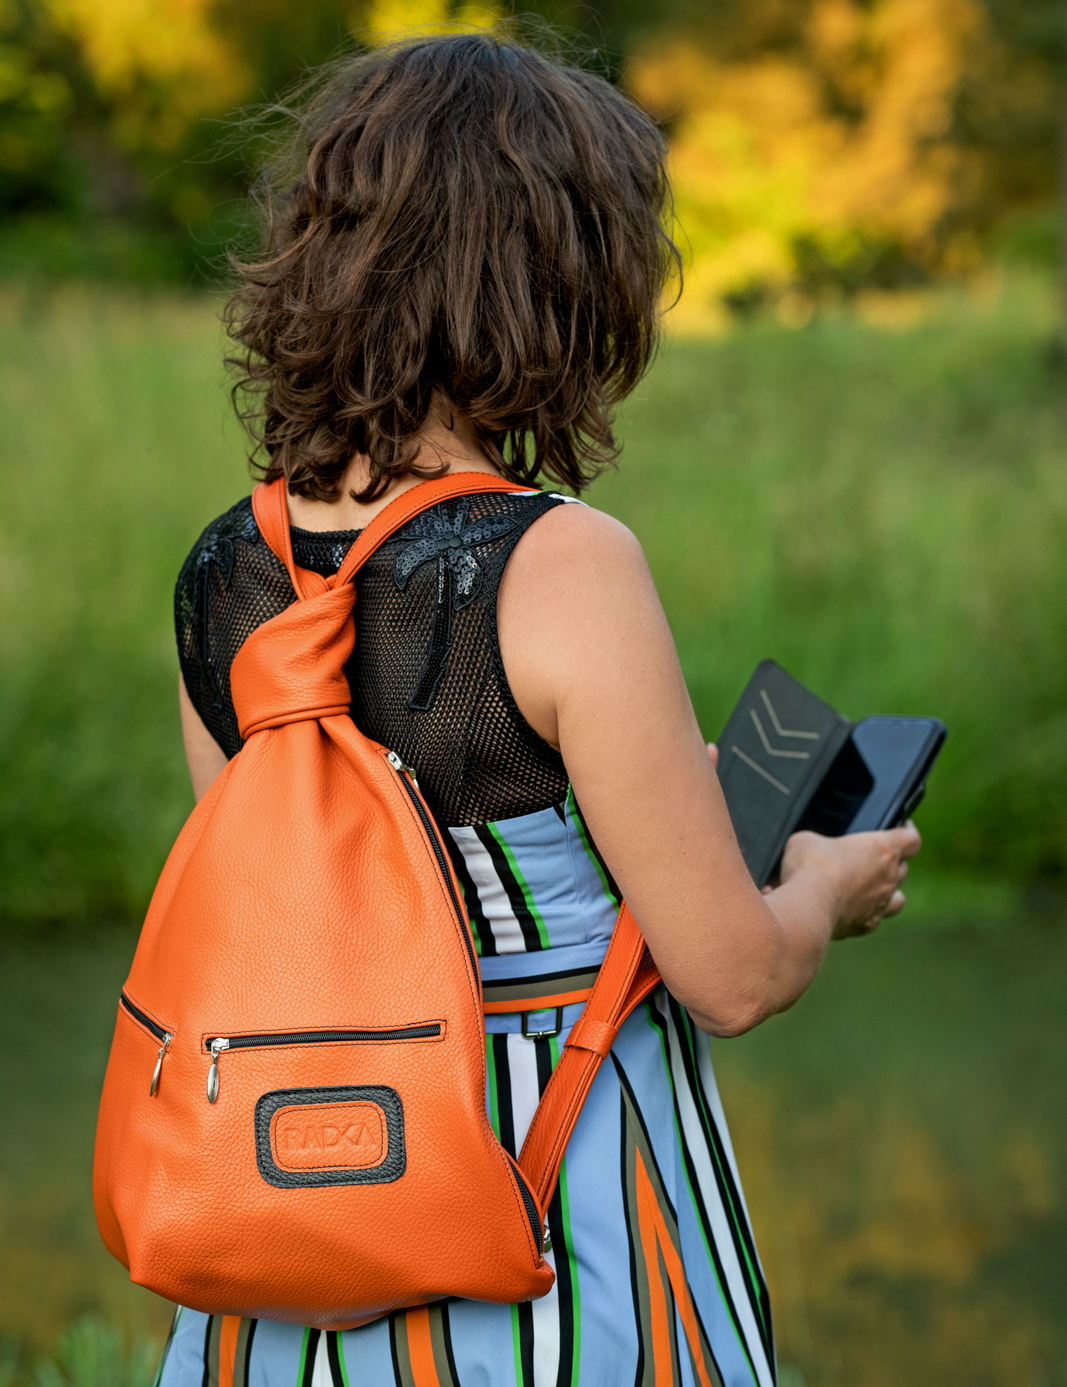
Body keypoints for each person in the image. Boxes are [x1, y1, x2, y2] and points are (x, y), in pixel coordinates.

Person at [165, 32, 920, 1387]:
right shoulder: (559, 558)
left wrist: (644, 801)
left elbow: (299, 904)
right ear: (560, 280)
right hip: (539, 1210)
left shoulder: (225, 566)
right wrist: (822, 882)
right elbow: (730, 976)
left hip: (292, 1216)